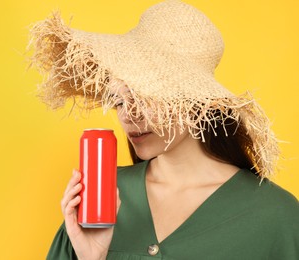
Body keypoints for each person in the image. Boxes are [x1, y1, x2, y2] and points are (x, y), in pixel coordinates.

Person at [28, 0, 299, 259]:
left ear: (198, 102)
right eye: (119, 101)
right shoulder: (101, 198)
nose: (128, 115)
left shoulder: (274, 216)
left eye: (145, 98)